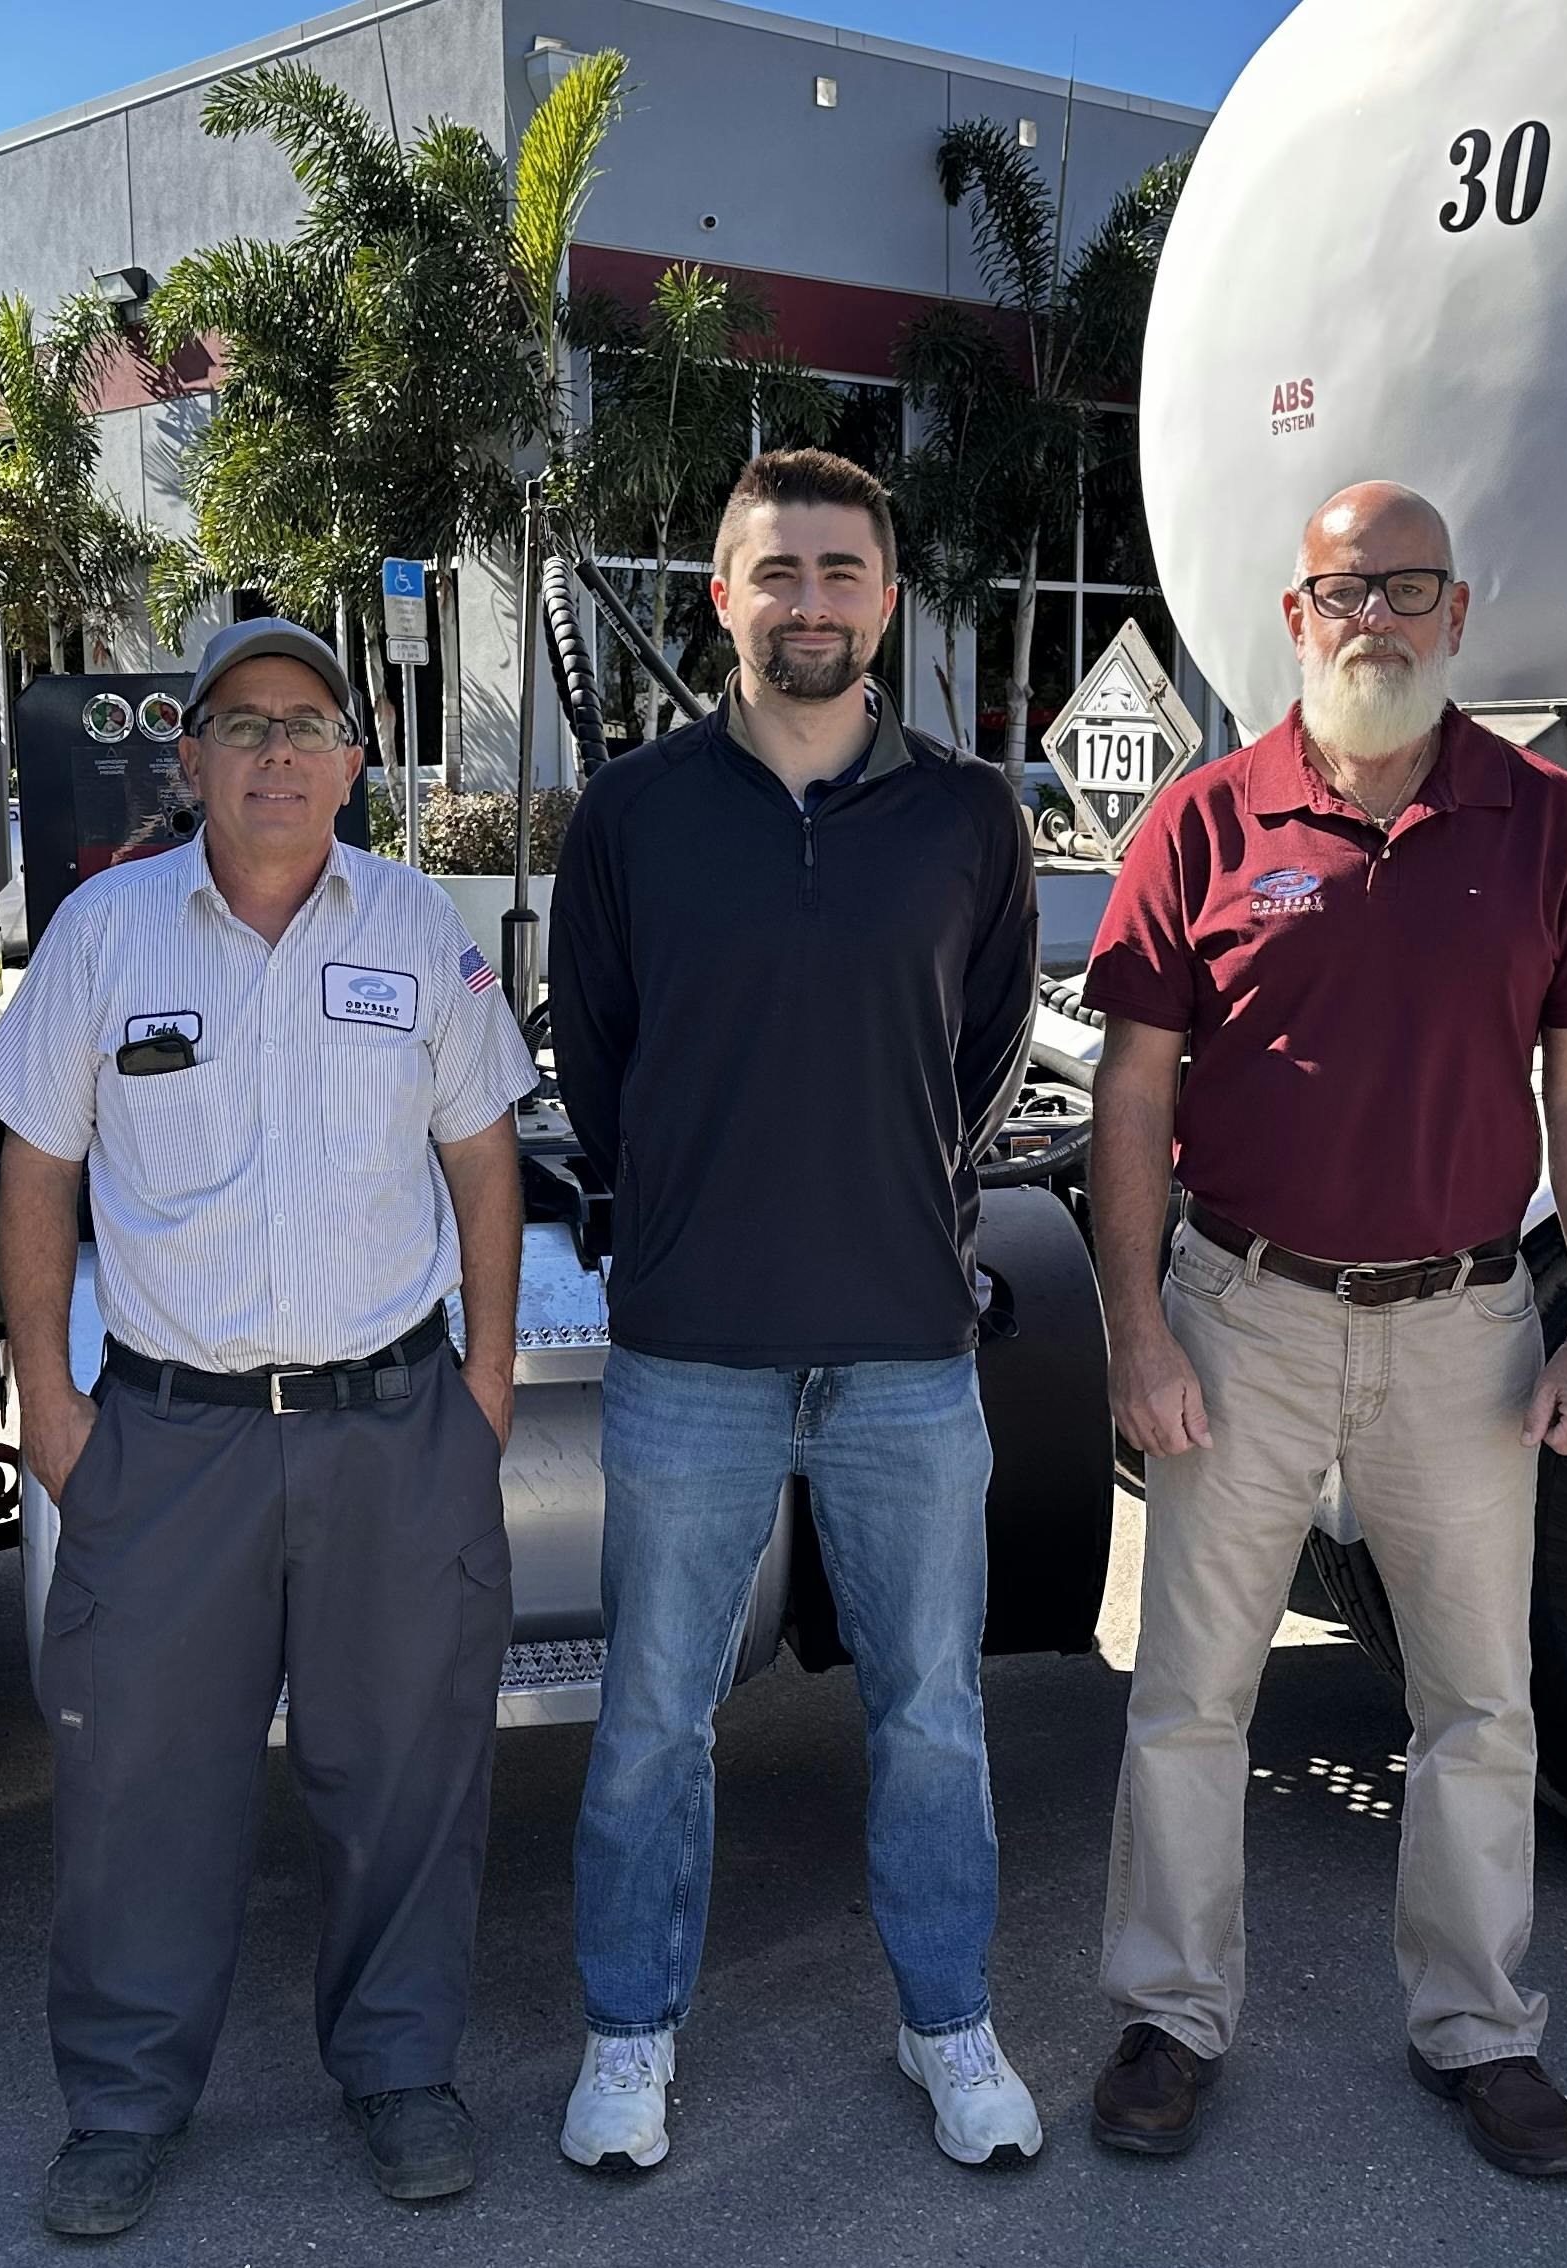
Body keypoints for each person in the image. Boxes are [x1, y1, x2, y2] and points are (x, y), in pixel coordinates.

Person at [1075, 480, 1567, 2176]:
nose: (1377, 619)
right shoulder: (1205, 821)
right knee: (1193, 1693)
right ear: (1297, 615)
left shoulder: (1543, 821)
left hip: (1464, 1327)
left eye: (1410, 589)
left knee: (1480, 1701)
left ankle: (1479, 2028)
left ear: (1459, 615)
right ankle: (1171, 2016)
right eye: (1346, 591)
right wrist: (1136, 1332)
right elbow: (1133, 1093)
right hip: (1239, 1315)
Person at [0, 616, 538, 2239]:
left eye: (307, 724)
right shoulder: (105, 934)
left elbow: (484, 1159)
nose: (277, 751)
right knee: (140, 1787)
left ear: (354, 762)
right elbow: (38, 1172)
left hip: (394, 1428)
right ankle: (123, 2105)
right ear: (193, 760)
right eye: (242, 724)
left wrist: (488, 1382)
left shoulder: (419, 927)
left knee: (407, 1772)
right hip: (173, 1441)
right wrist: (49, 1401)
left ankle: (402, 2071)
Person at [547, 448, 1045, 2172]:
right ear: (722, 596)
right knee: (651, 1720)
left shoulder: (970, 817)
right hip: (692, 1346)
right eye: (778, 571)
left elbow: (984, 1058)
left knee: (932, 1715)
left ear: (887, 601)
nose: (810, 601)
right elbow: (598, 1065)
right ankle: (628, 2037)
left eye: (841, 572)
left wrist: (884, 1190)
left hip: (907, 1346)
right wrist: (701, 1205)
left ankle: (948, 2021)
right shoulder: (631, 816)